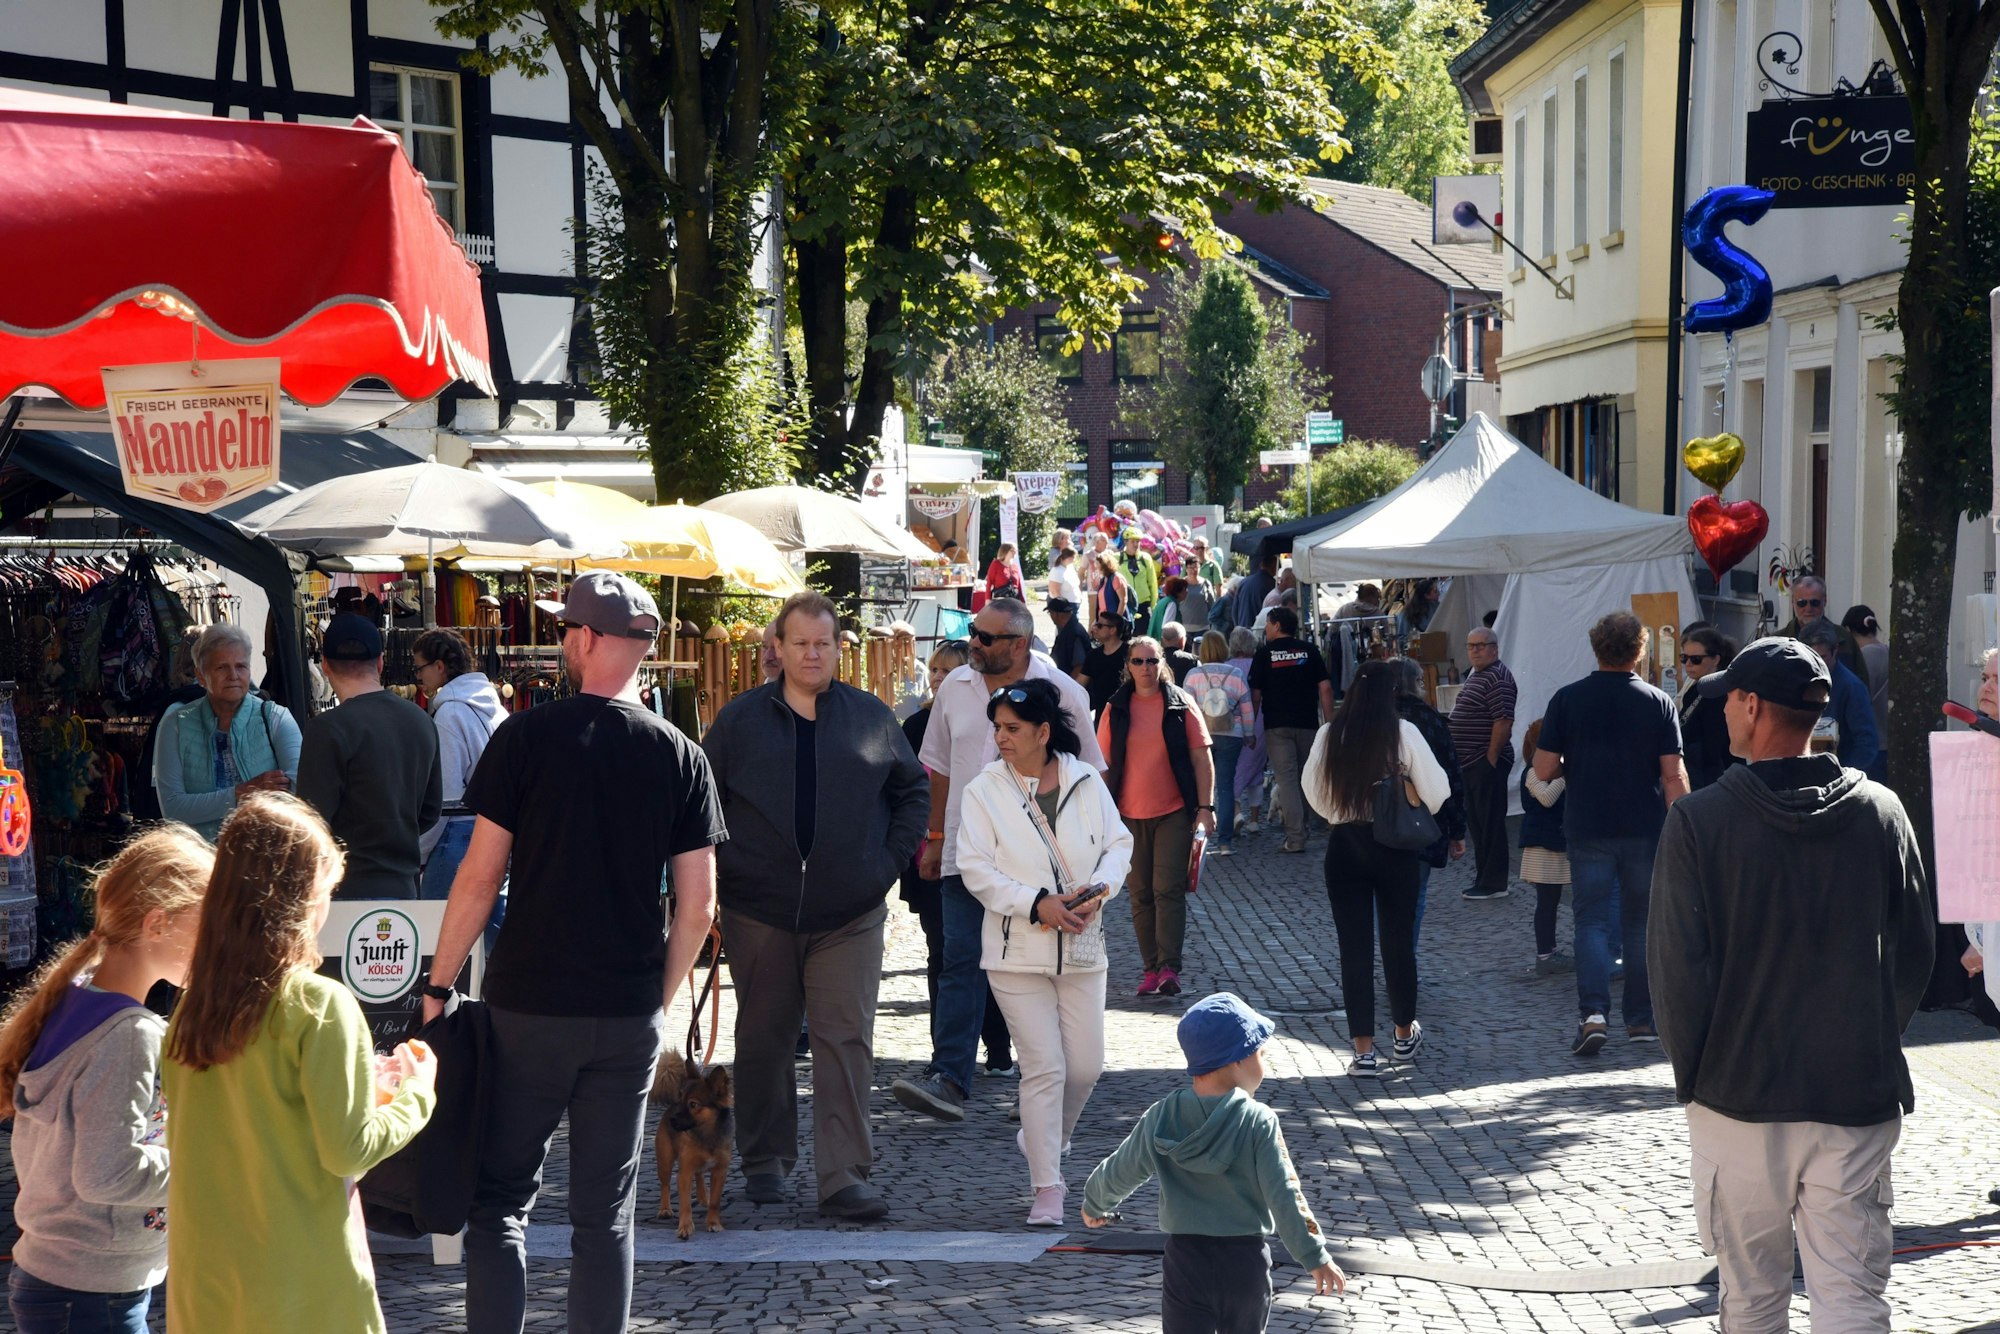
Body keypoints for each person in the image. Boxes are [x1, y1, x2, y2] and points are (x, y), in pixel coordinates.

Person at [422, 571, 725, 1334]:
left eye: (565, 630)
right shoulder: (682, 755)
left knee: (499, 1201)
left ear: (584, 641)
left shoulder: (524, 738)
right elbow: (700, 907)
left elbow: (479, 878)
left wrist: (439, 982)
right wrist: (654, 999)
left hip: (527, 1003)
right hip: (623, 1011)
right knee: (604, 1215)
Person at [1651, 638, 1932, 1334]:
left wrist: (1698, 1080)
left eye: (1727, 703)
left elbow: (1676, 971)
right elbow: (1914, 953)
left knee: (1750, 1301)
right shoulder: (1881, 811)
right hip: (1850, 1094)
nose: (1720, 717)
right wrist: (1870, 1035)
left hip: (1739, 1096)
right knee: (1851, 1300)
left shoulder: (1700, 821)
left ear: (1751, 707)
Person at [164, 794, 437, 1334]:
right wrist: (416, 1092)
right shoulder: (319, 1006)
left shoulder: (189, 1012)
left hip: (207, 1285)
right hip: (302, 1287)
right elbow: (348, 1148)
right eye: (324, 893)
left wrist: (361, 1087)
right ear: (302, 901)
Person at [701, 591, 929, 1222]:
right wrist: (721, 877)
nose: (810, 654)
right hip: (759, 910)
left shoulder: (871, 718)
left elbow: (913, 794)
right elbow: (701, 805)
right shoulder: (740, 721)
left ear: (837, 649)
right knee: (765, 1036)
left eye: (822, 644)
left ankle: (843, 1175)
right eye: (799, 643)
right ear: (777, 647)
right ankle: (765, 1159)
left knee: (845, 1038)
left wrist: (884, 866)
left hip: (849, 911)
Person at [893, 598, 1105, 1123]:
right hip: (970, 853)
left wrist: (1089, 860)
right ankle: (949, 1077)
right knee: (959, 960)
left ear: (1017, 644)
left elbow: (1091, 777)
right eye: (972, 635)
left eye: (984, 638)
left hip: (1042, 864)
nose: (973, 645)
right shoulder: (954, 691)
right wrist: (936, 837)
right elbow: (938, 768)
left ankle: (1046, 1083)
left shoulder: (1064, 695)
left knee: (1045, 971)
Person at [0, 827, 213, 1334]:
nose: (216, 945)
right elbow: (106, 1175)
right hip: (91, 1293)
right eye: (207, 928)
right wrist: (206, 1165)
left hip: (72, 1284)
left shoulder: (77, 1002)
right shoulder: (128, 1035)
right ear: (157, 924)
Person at [958, 679, 1132, 1225]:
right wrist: (1036, 904)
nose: (1001, 738)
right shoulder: (983, 790)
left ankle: (1042, 1137)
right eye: (998, 729)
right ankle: (1048, 1187)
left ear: (1043, 732)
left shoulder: (1085, 780)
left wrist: (1100, 890)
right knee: (1044, 1068)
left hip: (1083, 943)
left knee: (1085, 1067)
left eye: (1012, 729)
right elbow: (975, 868)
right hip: (1015, 953)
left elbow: (1117, 845)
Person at [1082, 992, 1345, 1332]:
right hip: (1244, 1263)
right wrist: (1314, 1254)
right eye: (1260, 1053)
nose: (1264, 1063)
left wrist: (1094, 1203)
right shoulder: (1258, 1120)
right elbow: (1285, 1194)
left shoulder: (1164, 1115)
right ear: (1237, 1060)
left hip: (1185, 1261)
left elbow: (1123, 1168)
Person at [1535, 612, 1688, 1056]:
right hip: (1643, 826)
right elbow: (1673, 776)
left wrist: (1577, 764)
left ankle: (1594, 1015)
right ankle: (1640, 1020)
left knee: (1592, 923)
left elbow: (1543, 770)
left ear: (1596, 649)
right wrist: (1684, 825)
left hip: (1588, 825)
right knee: (1641, 924)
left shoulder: (1567, 699)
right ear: (1640, 652)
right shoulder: (1659, 702)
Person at [1302, 660, 1449, 1076]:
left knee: (1354, 950)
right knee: (1399, 944)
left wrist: (1341, 811)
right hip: (1394, 847)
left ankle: (1362, 1051)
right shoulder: (1404, 734)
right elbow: (1438, 793)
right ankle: (1403, 1035)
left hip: (1345, 845)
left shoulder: (1330, 734)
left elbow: (1313, 793)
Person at [900, 642, 1019, 1078]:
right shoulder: (916, 723)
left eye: (945, 669)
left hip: (1010, 857)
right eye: (933, 669)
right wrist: (929, 841)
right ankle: (949, 1065)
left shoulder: (1038, 691)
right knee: (952, 956)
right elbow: (915, 785)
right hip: (945, 853)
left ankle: (1005, 1050)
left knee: (1004, 958)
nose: (936, 676)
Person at [1097, 636, 1216, 1000]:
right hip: (1128, 816)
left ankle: (1169, 968)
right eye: (1137, 662)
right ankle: (1150, 969)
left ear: (1161, 663)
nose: (1145, 668)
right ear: (1128, 667)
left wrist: (1206, 808)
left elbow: (1201, 759)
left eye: (1151, 661)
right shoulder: (1115, 708)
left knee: (1169, 890)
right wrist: (1101, 816)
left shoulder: (1181, 704)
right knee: (1140, 895)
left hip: (1174, 812)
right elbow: (1103, 767)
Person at [296, 612, 443, 899]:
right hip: (404, 887)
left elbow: (311, 822)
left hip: (343, 892)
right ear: (380, 662)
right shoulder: (421, 720)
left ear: (325, 666)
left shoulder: (326, 729)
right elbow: (430, 811)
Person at [153, 622, 301, 841]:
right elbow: (173, 808)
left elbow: (299, 792)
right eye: (221, 667)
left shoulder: (276, 718)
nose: (233, 675)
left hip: (265, 857)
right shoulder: (176, 724)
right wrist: (241, 793)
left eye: (241, 666)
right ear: (201, 676)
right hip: (201, 862)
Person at [414, 628, 510, 957]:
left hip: (457, 837)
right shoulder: (491, 706)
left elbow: (447, 798)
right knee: (488, 946)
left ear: (440, 667)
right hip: (496, 831)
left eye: (420, 668)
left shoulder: (450, 714)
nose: (418, 678)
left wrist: (421, 851)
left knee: (441, 943)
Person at [1387, 657, 1466, 940]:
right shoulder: (1430, 720)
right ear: (1415, 684)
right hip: (1420, 823)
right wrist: (1457, 830)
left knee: (1382, 898)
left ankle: (1389, 958)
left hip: (1373, 825)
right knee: (1414, 897)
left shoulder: (1368, 720)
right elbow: (1449, 778)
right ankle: (1404, 963)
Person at [1247, 606, 1333, 855]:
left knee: (1286, 780)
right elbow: (1326, 688)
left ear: (1275, 624)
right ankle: (1320, 823)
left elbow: (1255, 696)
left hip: (1277, 726)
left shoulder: (1264, 654)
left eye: (1267, 623)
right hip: (1307, 724)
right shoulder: (1309, 650)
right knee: (1308, 777)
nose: (1265, 628)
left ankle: (1296, 838)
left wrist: (1250, 728)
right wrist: (1330, 724)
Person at [1450, 626, 1516, 901]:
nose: (1475, 650)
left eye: (1481, 645)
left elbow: (1503, 721)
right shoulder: (1480, 675)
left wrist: (1489, 759)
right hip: (1472, 762)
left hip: (1484, 762)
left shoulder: (1497, 678)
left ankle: (1494, 883)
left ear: (1494, 648)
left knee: (1489, 824)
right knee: (1478, 824)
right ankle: (1484, 878)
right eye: (1470, 645)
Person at [1183, 632, 1255, 857]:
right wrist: (1249, 734)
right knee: (1225, 787)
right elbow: (1247, 708)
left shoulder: (1193, 675)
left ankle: (1196, 839)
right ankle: (1225, 842)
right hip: (1230, 735)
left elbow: (1186, 710)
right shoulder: (1236, 674)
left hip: (1201, 736)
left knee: (1198, 786)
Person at [1518, 720, 1572, 976]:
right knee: (1546, 902)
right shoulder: (1532, 772)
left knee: (1551, 901)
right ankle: (1545, 954)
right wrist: (1565, 775)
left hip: (1552, 843)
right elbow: (1546, 798)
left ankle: (1549, 951)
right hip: (1541, 846)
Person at [1797, 617, 1882, 776]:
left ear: (1836, 650)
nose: (1816, 664)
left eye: (1823, 657)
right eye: (1810, 657)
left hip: (1838, 778)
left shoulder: (1852, 688)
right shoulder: (1795, 681)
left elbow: (1866, 743)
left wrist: (1844, 778)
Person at [1677, 626, 1739, 791]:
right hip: (1697, 772)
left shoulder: (1721, 692)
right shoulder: (1696, 687)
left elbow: (1715, 745)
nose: (1688, 664)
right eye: (1684, 658)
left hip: (1714, 778)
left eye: (1696, 659)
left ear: (1715, 660)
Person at [1778, 574, 1865, 678]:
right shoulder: (1776, 642)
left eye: (1815, 603)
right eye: (1802, 603)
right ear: (1793, 603)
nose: (1808, 608)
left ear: (1825, 601)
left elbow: (1861, 684)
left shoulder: (1844, 639)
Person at [1227, 627, 1268, 836]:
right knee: (1256, 771)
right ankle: (1254, 820)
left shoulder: (1227, 667)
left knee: (1234, 769)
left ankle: (1235, 812)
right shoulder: (1260, 665)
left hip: (1233, 725)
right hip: (1260, 722)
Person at [1841, 605, 1890, 740]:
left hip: (1870, 737)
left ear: (1848, 630)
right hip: (1890, 735)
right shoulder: (1889, 652)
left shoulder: (1862, 658)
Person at [1079, 611, 1132, 720]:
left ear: (1112, 630)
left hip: (1126, 715)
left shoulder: (1130, 654)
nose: (1094, 628)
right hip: (1101, 716)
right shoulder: (1093, 655)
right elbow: (1079, 684)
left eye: (1099, 625)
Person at [1047, 597, 1093, 679]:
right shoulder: (1067, 630)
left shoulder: (1074, 633)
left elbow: (1079, 665)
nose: (1050, 616)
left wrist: (1069, 685)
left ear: (1057, 614)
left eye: (1050, 612)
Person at [1231, 553, 1278, 631]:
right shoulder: (1271, 585)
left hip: (1242, 630)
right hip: (1259, 631)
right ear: (1273, 567)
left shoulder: (1243, 582)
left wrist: (1238, 627)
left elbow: (1234, 611)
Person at [1092, 552, 1134, 624]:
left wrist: (1116, 620)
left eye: (1098, 564)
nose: (1096, 566)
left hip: (1112, 621)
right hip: (1103, 620)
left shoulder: (1116, 578)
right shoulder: (1104, 579)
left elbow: (1123, 600)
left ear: (1104, 565)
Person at [1149, 576, 1187, 640]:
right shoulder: (1172, 604)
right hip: (1162, 642)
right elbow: (1167, 626)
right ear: (1178, 592)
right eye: (1185, 590)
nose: (1187, 592)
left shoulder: (1163, 601)